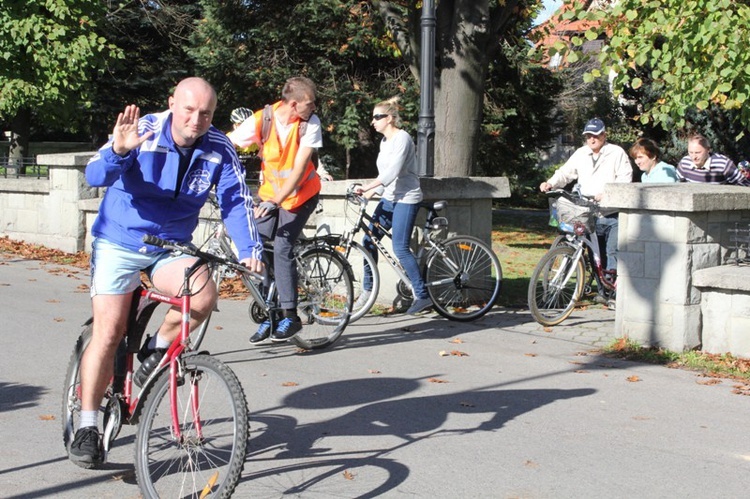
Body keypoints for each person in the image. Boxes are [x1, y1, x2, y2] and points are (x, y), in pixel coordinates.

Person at [70, 77, 264, 469]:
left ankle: (155, 351)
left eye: (206, 113)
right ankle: (87, 424)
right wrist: (119, 153)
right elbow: (94, 176)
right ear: (172, 103)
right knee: (109, 332)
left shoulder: (219, 148)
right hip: (120, 242)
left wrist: (249, 249)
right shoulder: (143, 130)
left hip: (171, 246)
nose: (196, 120)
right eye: (189, 110)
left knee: (203, 295)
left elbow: (235, 200)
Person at [229, 76, 323, 343]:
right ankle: (270, 313)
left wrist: (277, 200)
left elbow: (299, 168)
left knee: (282, 245)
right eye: (310, 103)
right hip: (271, 196)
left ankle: (290, 316)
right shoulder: (263, 119)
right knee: (254, 243)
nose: (314, 108)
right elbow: (228, 143)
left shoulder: (309, 124)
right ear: (293, 104)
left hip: (301, 196)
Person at [353, 97, 432, 315]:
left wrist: (369, 185)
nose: (373, 121)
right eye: (372, 117)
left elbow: (393, 172)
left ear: (389, 118)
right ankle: (367, 292)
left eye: (377, 117)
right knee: (369, 240)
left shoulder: (402, 138)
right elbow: (384, 178)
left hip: (406, 198)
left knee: (399, 248)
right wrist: (370, 193)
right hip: (390, 198)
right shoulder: (384, 142)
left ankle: (422, 295)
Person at [539, 117, 632, 277]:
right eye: (588, 136)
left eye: (595, 135)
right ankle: (602, 291)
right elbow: (565, 172)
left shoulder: (616, 153)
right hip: (587, 213)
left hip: (611, 213)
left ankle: (613, 291)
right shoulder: (581, 153)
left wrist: (607, 195)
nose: (592, 139)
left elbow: (625, 180)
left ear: (604, 135)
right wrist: (550, 183)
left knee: (611, 254)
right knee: (595, 255)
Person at [676, 134, 750, 186]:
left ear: (708, 150)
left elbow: (743, 184)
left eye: (698, 152)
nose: (694, 157)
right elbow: (678, 186)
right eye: (691, 152)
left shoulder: (723, 164)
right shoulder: (684, 163)